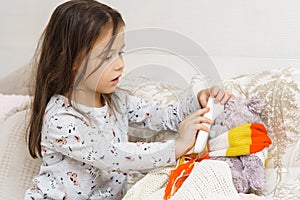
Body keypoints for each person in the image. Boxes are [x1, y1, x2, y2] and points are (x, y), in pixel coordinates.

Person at [24, 0, 233, 199]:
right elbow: (114, 155)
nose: (120, 64)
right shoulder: (60, 119)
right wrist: (176, 146)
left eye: (120, 53)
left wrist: (199, 102)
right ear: (70, 60)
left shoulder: (118, 101)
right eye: (107, 56)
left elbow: (164, 115)